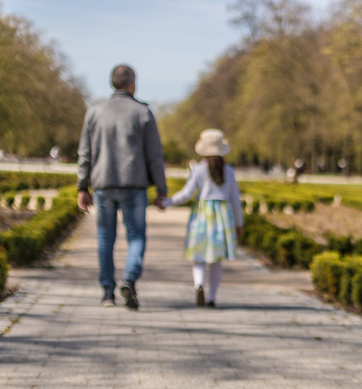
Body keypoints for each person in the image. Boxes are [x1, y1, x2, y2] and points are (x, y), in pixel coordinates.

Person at [77, 64, 166, 309]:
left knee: (105, 239)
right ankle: (129, 279)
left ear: (111, 83)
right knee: (136, 236)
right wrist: (162, 190)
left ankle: (107, 293)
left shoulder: (94, 113)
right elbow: (154, 156)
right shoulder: (143, 113)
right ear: (132, 84)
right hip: (134, 185)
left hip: (103, 184)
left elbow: (85, 154)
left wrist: (82, 188)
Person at [159, 129, 242, 308]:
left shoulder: (198, 170)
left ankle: (199, 285)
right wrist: (239, 223)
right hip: (222, 216)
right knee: (216, 259)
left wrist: (166, 203)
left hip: (202, 216)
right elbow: (236, 199)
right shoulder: (228, 171)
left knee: (199, 256)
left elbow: (186, 194)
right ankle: (212, 298)